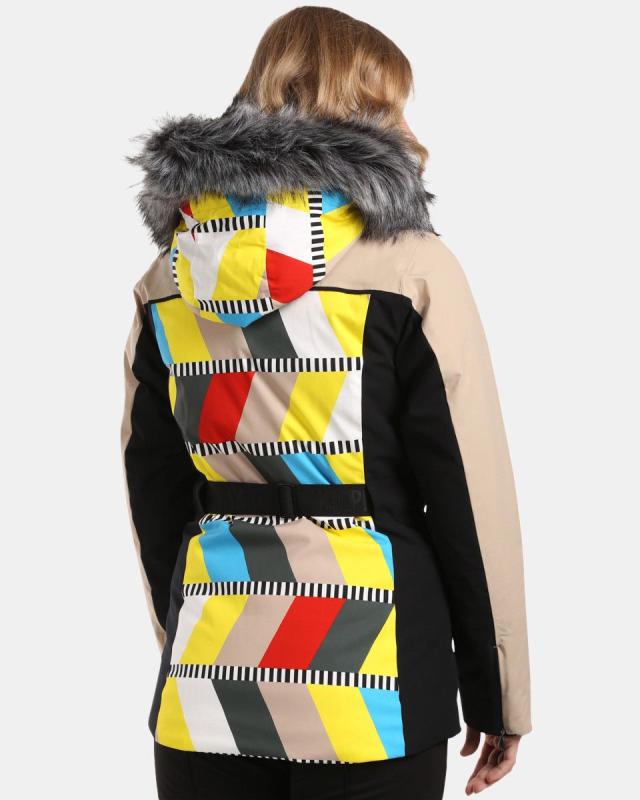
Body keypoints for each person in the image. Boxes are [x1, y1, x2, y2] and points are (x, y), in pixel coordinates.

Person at [121, 6, 531, 799]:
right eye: (394, 103)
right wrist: (498, 691)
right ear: (365, 107)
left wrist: (190, 641)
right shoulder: (410, 268)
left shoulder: (166, 280)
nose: (412, 129)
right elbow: (468, 497)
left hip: (209, 685)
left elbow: (155, 492)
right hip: (376, 694)